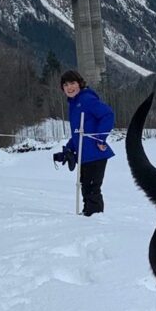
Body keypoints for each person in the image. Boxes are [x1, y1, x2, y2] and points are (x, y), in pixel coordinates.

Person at [54, 69, 115, 216]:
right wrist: (68, 150)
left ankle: (94, 219)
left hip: (96, 153)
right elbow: (78, 133)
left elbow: (107, 114)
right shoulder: (74, 105)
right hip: (84, 155)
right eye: (66, 85)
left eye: (73, 83)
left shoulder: (86, 99)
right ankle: (88, 216)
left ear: (80, 84)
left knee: (92, 188)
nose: (70, 87)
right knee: (86, 187)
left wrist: (100, 138)